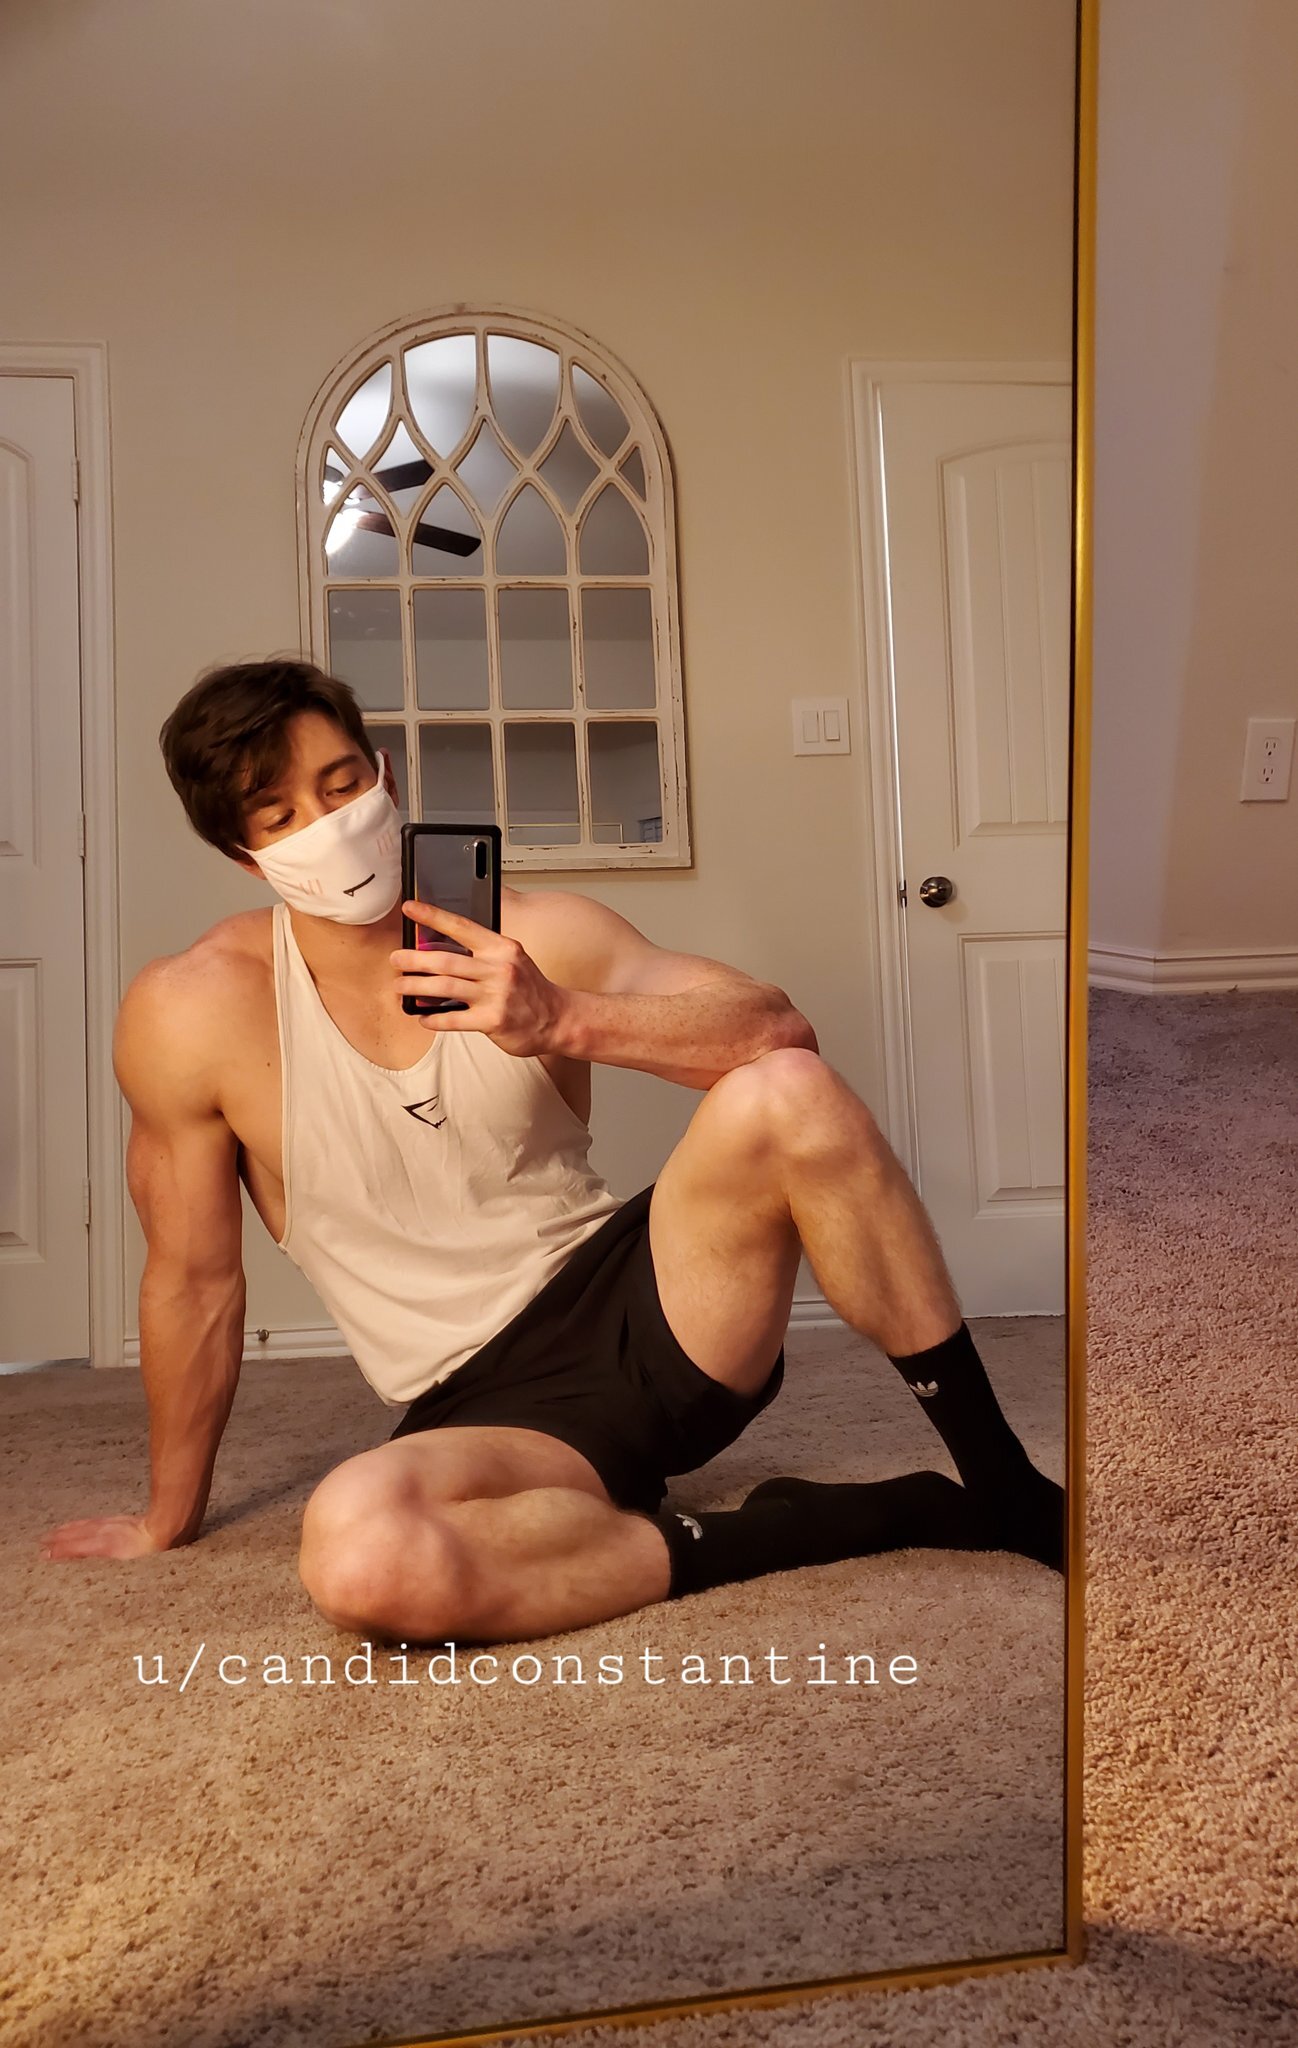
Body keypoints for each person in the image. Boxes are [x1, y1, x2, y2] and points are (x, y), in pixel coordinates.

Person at [41, 658, 1064, 1638]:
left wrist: (562, 1016)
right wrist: (166, 1515)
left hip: (651, 1311)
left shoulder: (535, 933)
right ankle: (841, 1519)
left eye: (343, 784)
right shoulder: (188, 1010)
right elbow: (193, 1280)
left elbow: (773, 1026)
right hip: (483, 1408)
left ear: (385, 774)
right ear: (244, 855)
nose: (330, 825)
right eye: (281, 816)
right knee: (360, 1554)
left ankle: (1002, 1484)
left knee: (788, 1088)